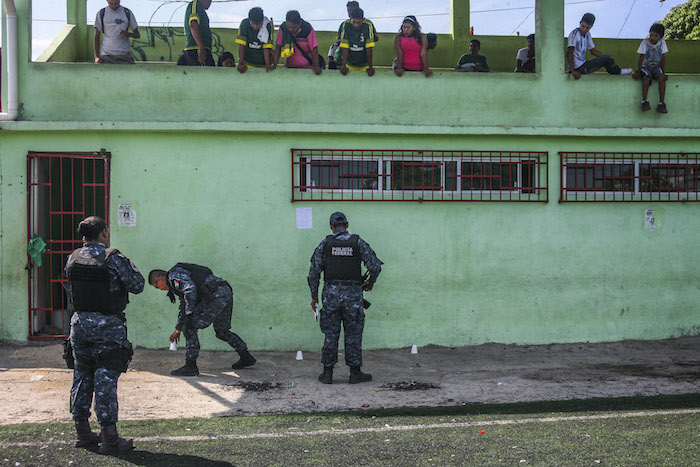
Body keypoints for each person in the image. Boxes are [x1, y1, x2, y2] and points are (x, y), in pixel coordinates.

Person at [65, 216, 144, 454]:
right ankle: (110, 438)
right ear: (104, 233)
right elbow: (137, 284)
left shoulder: (73, 258)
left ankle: (83, 433)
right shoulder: (113, 258)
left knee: (81, 375)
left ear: (83, 237)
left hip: (79, 324)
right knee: (105, 379)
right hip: (108, 325)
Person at [308, 212, 382, 384]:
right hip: (353, 298)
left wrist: (314, 297)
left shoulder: (325, 244)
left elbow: (313, 274)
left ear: (331, 227)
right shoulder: (358, 243)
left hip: (330, 298)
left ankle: (327, 374)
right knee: (353, 334)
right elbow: (375, 266)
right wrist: (370, 283)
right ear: (347, 225)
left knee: (330, 334)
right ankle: (355, 373)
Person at [149, 264, 256, 376]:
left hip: (215, 297)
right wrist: (178, 328)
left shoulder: (173, 277)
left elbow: (190, 290)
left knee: (190, 327)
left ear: (159, 279)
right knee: (222, 331)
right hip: (224, 292)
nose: (160, 289)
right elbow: (184, 304)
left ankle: (190, 366)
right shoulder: (178, 277)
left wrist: (189, 317)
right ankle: (246, 356)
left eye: (157, 286)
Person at [567, 13, 632, 79]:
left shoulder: (587, 35)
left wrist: (609, 59)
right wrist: (573, 71)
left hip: (584, 64)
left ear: (591, 27)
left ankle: (616, 71)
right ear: (580, 23)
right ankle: (619, 72)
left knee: (607, 58)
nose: (584, 29)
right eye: (583, 26)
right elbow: (570, 52)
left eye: (587, 28)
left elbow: (593, 51)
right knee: (606, 58)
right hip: (578, 68)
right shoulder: (574, 34)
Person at [632, 23, 669, 113]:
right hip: (646, 67)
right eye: (651, 35)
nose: (652, 37)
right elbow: (641, 57)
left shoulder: (662, 42)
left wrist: (663, 72)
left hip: (656, 67)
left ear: (660, 37)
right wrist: (639, 71)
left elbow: (663, 57)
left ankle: (661, 103)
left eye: (656, 36)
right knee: (647, 78)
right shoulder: (645, 42)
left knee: (662, 79)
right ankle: (645, 101)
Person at [93, 0, 140, 65]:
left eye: (116, 3)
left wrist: (128, 34)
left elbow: (137, 35)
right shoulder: (102, 13)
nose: (114, 6)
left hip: (124, 55)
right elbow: (96, 36)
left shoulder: (127, 12)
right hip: (107, 56)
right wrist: (96, 57)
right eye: (111, 4)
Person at [339, 8, 376, 76]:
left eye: (358, 22)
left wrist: (370, 67)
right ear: (351, 20)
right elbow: (345, 47)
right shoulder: (346, 25)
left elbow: (369, 48)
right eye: (354, 22)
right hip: (349, 65)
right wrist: (343, 66)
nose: (356, 25)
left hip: (365, 65)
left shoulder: (368, 25)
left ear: (363, 20)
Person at [236, 7, 274, 73]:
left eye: (258, 24)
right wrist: (241, 63)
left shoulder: (268, 26)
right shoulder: (244, 24)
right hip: (247, 63)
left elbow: (266, 48)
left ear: (262, 20)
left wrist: (267, 65)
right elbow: (242, 45)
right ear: (249, 20)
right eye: (253, 23)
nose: (255, 26)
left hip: (262, 64)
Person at [183, 0, 214, 66]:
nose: (210, 2)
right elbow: (193, 24)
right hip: (196, 49)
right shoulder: (196, 4)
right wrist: (201, 47)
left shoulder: (200, 8)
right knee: (207, 74)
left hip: (201, 49)